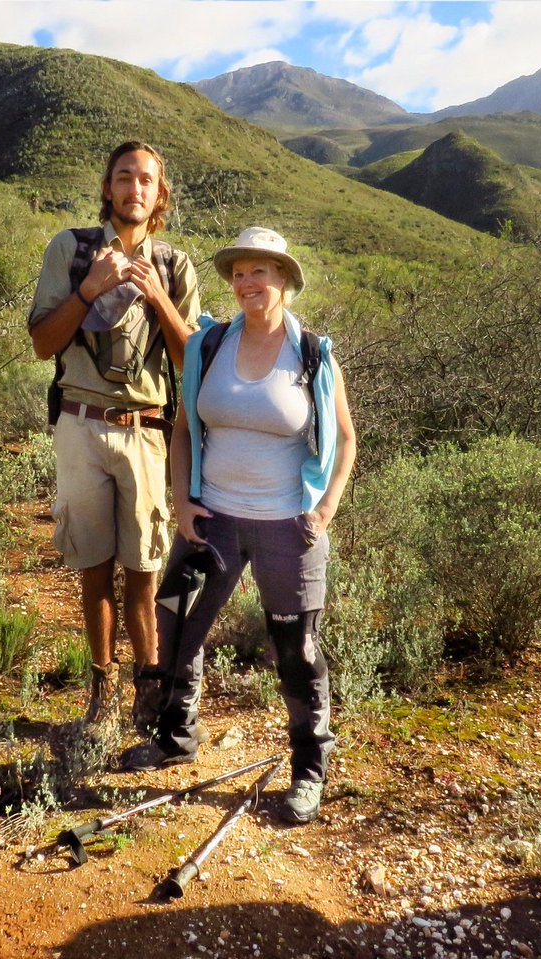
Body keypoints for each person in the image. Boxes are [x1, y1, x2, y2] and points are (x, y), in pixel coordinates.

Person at [121, 227, 357, 825]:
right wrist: (182, 498)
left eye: (262, 271)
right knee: (176, 624)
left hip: (287, 526)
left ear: (284, 280)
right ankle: (176, 738)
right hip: (213, 519)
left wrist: (324, 510)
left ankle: (309, 768)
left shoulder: (313, 353)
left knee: (296, 649)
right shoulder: (209, 344)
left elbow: (346, 440)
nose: (248, 282)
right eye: (240, 272)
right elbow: (181, 428)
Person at [28, 141, 200, 732]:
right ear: (108, 188)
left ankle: (148, 693)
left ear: (159, 194)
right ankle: (101, 690)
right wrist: (88, 290)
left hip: (149, 433)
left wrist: (157, 298)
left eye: (146, 180)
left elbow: (191, 364)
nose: (134, 189)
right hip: (80, 424)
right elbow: (43, 343)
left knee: (145, 573)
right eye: (124, 177)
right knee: (93, 567)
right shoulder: (70, 251)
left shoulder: (176, 267)